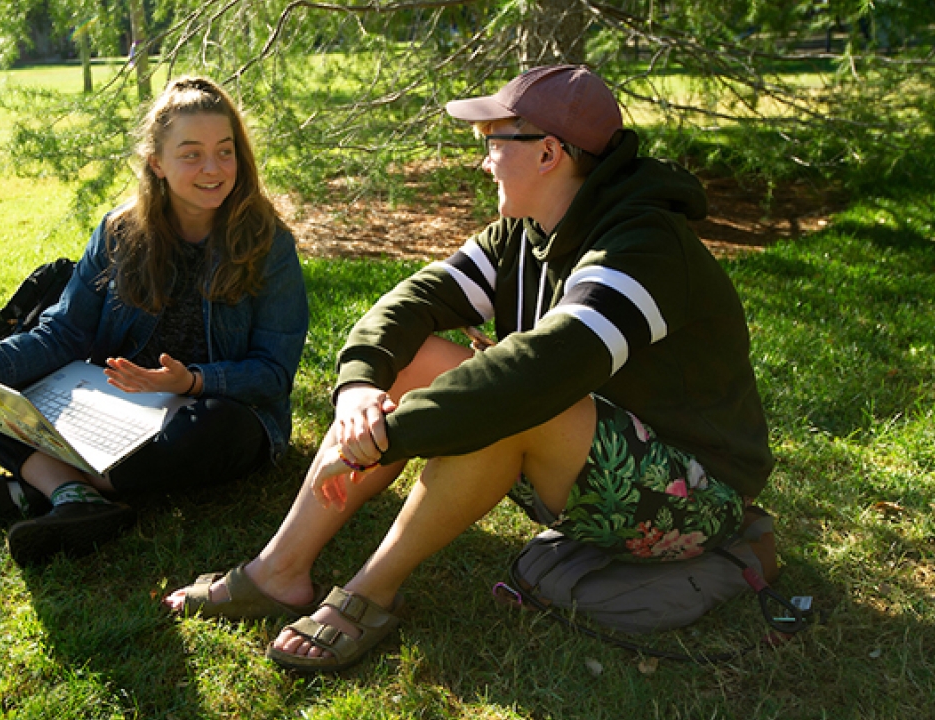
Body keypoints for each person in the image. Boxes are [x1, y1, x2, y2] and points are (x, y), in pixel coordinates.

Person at [165, 65, 775, 672]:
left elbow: (541, 372)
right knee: (419, 361)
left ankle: (369, 593)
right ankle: (280, 571)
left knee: (513, 400)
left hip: (697, 495)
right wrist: (358, 395)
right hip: (589, 459)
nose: (482, 161)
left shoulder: (642, 248)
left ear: (548, 154)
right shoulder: (524, 233)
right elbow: (409, 304)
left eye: (492, 143)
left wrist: (390, 436)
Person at [0, 76, 309, 567]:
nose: (213, 168)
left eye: (225, 151)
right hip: (112, 410)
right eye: (191, 154)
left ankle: (51, 486)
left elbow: (273, 373)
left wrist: (191, 381)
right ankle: (74, 494)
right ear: (157, 163)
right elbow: (65, 331)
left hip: (204, 415)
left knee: (218, 429)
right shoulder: (118, 232)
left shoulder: (267, 243)